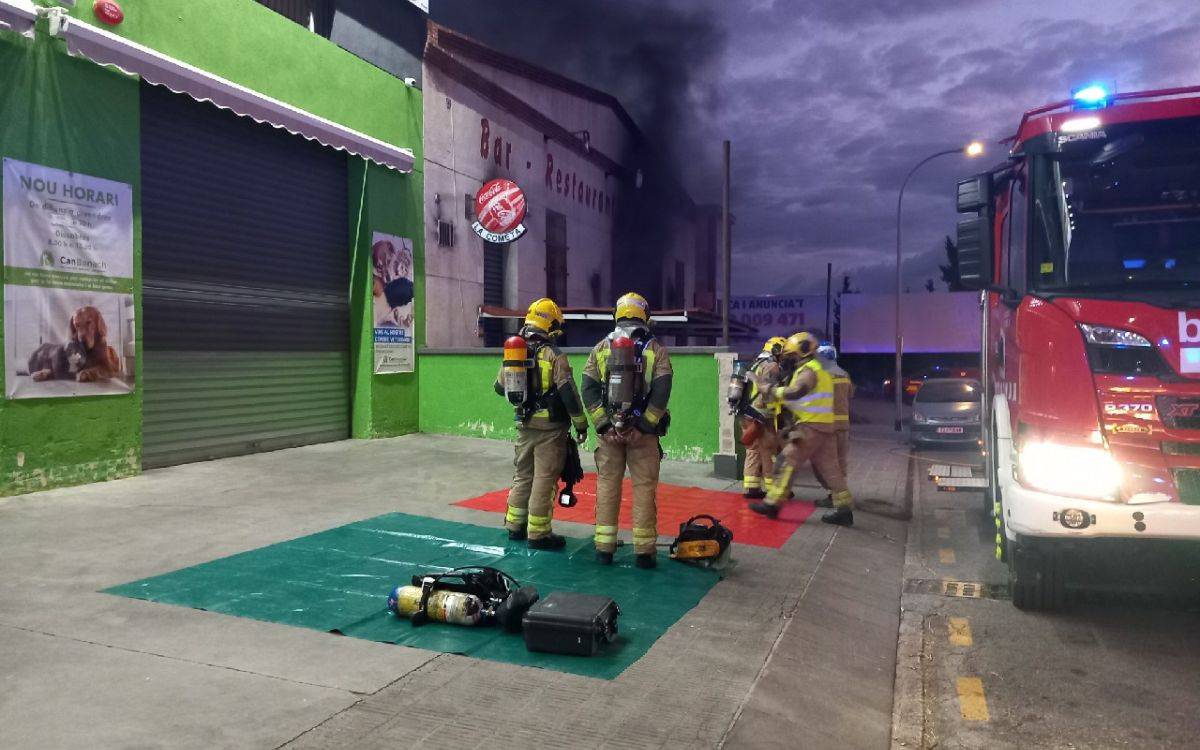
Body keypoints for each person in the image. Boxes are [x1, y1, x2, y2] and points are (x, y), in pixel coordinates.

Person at [581, 292, 673, 568]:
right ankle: (644, 553)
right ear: (644, 315)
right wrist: (644, 426)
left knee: (608, 484)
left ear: (617, 314)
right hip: (642, 436)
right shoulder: (655, 349)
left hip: (609, 435)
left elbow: (588, 387)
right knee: (644, 488)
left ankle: (603, 549)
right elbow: (662, 389)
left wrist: (604, 424)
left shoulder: (600, 347)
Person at [494, 298, 589, 550]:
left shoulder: (516, 351)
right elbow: (569, 394)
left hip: (525, 426)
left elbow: (498, 387)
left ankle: (515, 526)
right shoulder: (555, 356)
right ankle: (539, 534)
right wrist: (581, 425)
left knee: (523, 476)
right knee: (544, 479)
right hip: (551, 430)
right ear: (550, 324)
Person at [749, 332, 854, 526]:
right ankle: (844, 509)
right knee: (832, 470)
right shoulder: (821, 370)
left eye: (792, 355)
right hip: (825, 427)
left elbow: (797, 392)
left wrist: (772, 390)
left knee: (786, 460)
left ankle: (772, 503)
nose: (791, 360)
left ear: (803, 352)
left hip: (811, 427)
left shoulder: (809, 370)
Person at [741, 337, 787, 499]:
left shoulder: (755, 362)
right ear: (776, 350)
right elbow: (769, 393)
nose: (784, 356)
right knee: (769, 452)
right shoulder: (772, 366)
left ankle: (751, 488)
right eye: (783, 352)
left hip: (747, 414)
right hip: (763, 416)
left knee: (752, 450)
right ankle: (773, 490)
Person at [813, 344, 854, 508]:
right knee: (840, 461)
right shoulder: (844, 374)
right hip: (843, 425)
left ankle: (833, 497)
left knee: (826, 463)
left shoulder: (820, 376)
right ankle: (839, 498)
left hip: (826, 425)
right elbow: (850, 395)